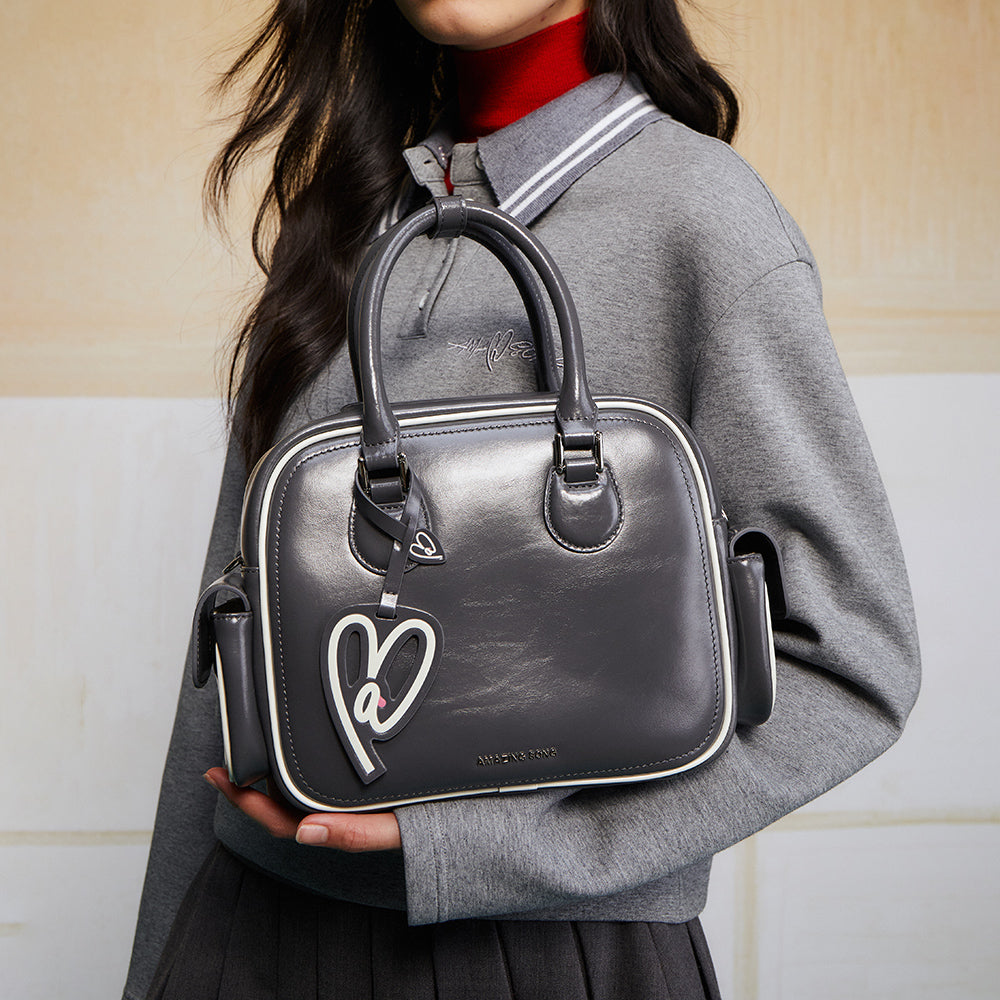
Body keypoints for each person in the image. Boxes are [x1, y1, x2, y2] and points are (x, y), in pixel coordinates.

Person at [124, 1, 921, 997]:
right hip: (249, 937)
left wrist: (473, 845)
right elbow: (226, 662)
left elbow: (850, 662)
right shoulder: (343, 217)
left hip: (543, 960)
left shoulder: (699, 217)